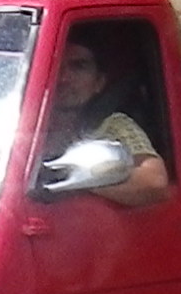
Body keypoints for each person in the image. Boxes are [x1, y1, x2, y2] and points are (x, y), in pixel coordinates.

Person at [41, 26, 172, 210]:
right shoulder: (16, 126)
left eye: (78, 66)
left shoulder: (113, 127)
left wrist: (73, 176)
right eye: (55, 66)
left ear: (99, 82)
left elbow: (154, 182)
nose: (63, 78)